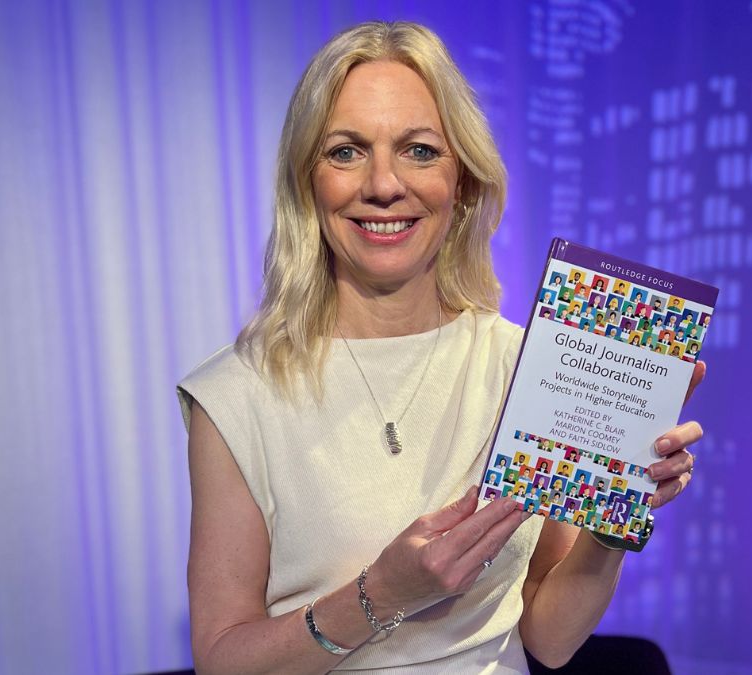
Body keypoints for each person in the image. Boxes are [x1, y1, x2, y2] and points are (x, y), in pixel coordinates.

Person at [177, 21, 704, 674]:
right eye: (345, 151)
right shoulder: (235, 394)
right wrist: (382, 594)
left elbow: (551, 636)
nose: (383, 184)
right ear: (307, 183)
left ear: (463, 183)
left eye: (419, 150)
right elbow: (222, 661)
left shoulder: (524, 363)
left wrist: (609, 520)